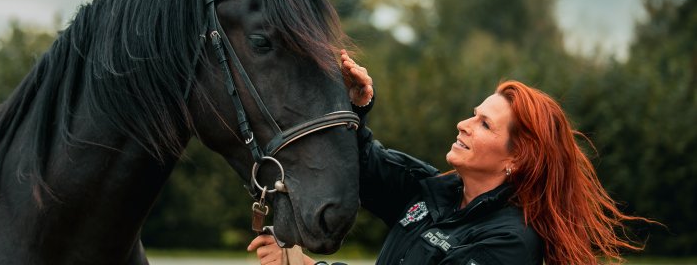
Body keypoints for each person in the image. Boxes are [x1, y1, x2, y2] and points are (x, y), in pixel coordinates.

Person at [248, 49, 653, 265]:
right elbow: (365, 166)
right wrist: (357, 106)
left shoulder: (510, 242)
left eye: (484, 124)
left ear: (519, 158)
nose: (463, 124)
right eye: (474, 114)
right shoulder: (435, 191)